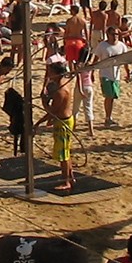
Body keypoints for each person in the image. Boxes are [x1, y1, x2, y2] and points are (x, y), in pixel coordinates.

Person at [36, 61, 76, 192]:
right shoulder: (65, 82)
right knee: (66, 150)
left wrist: (43, 104)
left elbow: (53, 112)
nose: (50, 75)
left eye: (51, 73)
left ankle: (66, 181)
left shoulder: (61, 91)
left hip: (62, 121)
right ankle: (70, 176)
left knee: (62, 154)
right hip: (66, 119)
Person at [94, 27, 127, 127]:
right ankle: (108, 118)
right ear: (108, 35)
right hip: (105, 74)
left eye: (116, 34)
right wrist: (91, 71)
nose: (115, 36)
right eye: (113, 34)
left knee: (113, 97)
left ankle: (109, 116)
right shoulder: (102, 46)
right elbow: (96, 59)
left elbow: (125, 60)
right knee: (108, 97)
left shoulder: (122, 46)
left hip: (116, 75)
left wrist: (127, 71)